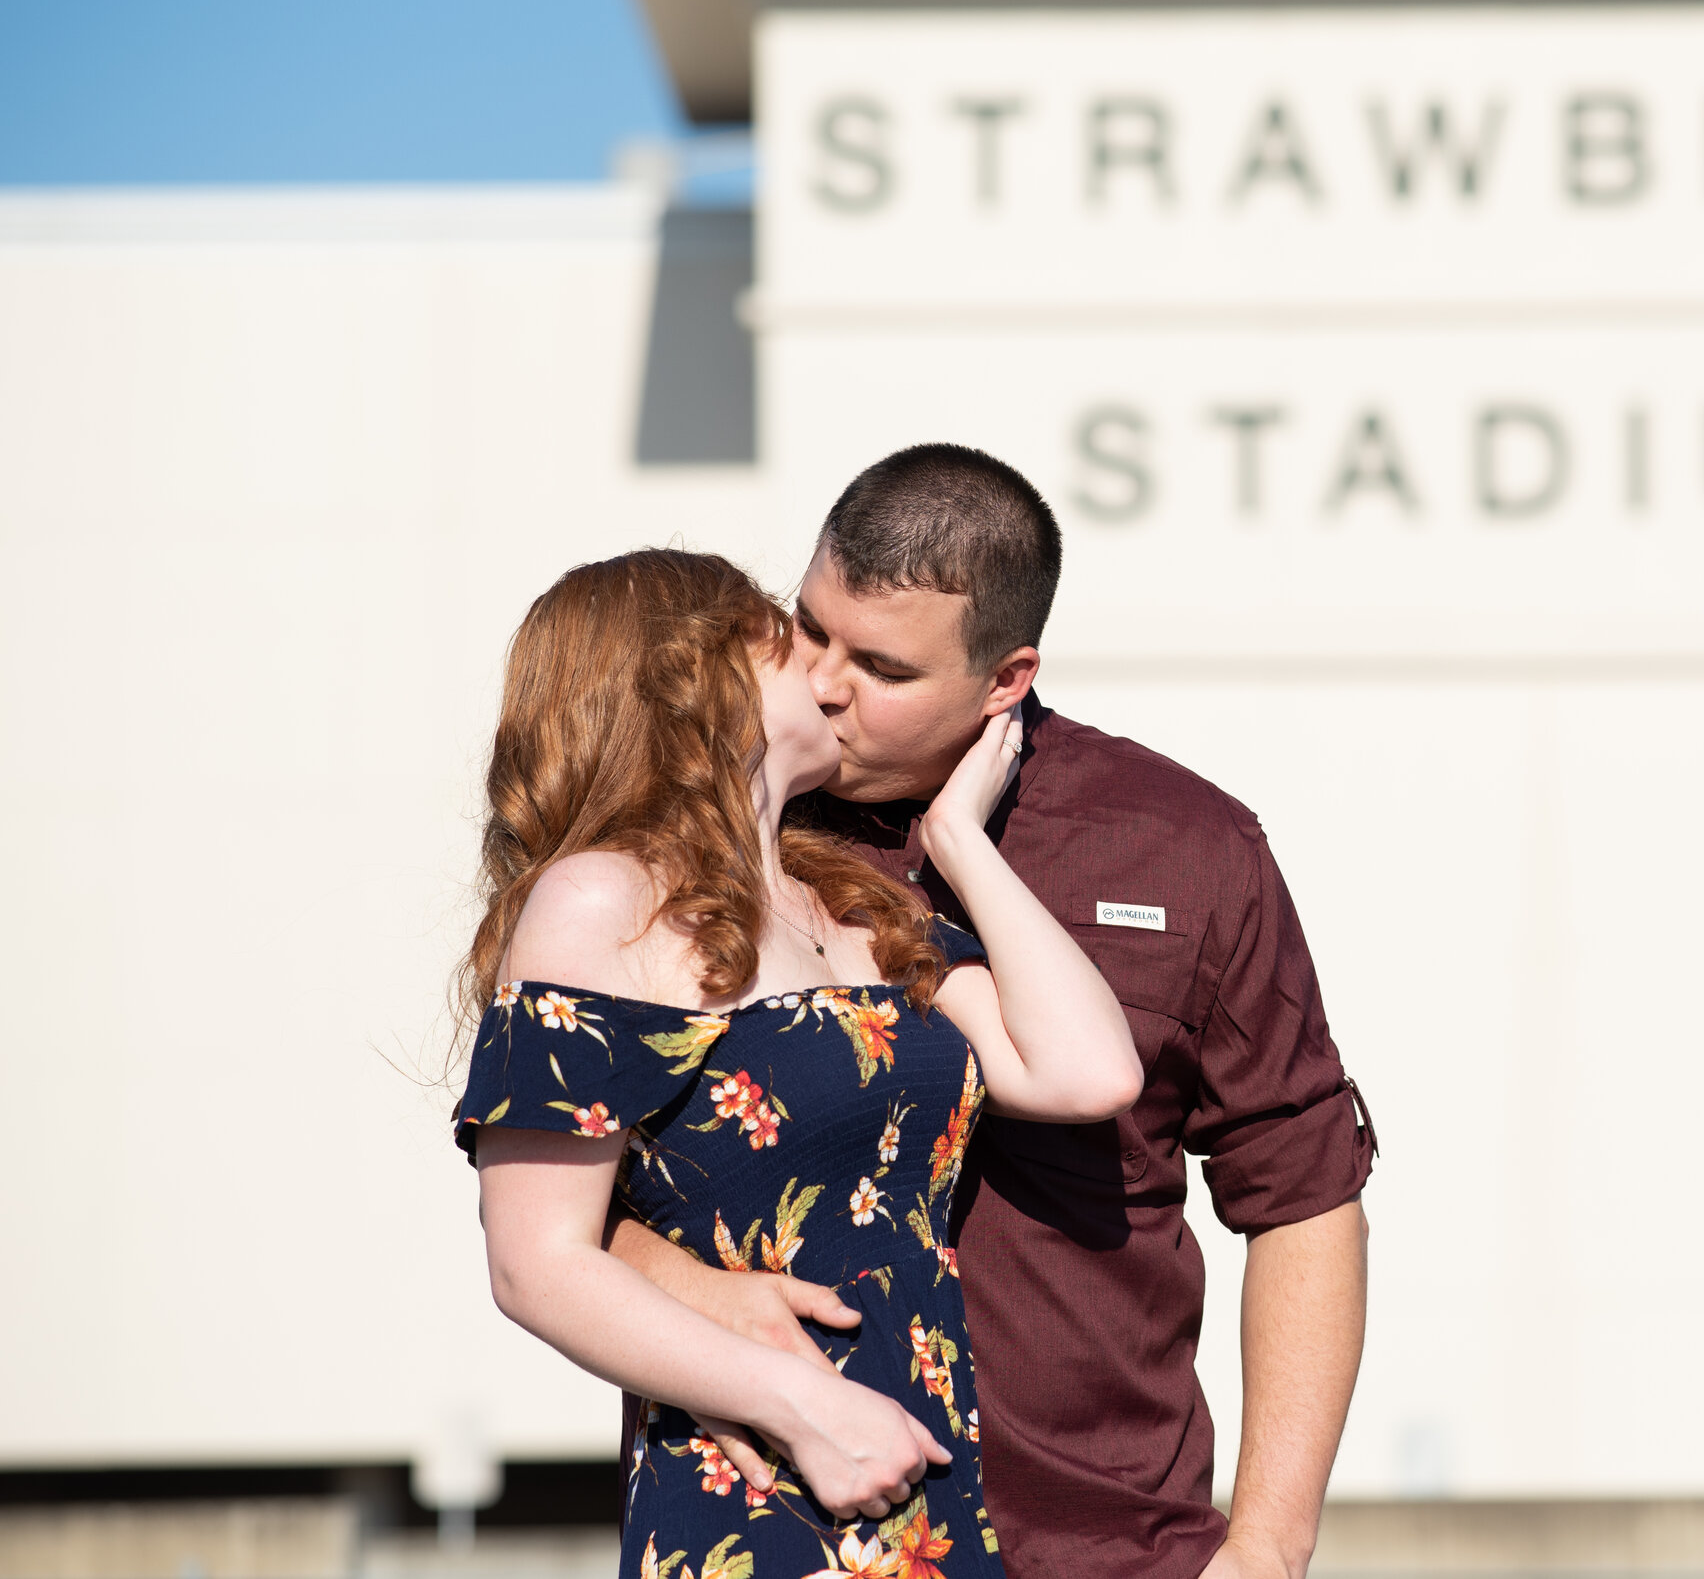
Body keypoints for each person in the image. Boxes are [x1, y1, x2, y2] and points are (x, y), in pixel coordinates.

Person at [606, 446, 1377, 1579]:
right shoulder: (715, 831)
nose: (825, 684)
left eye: (882, 665)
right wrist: (689, 1290)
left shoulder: (1185, 846)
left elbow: (1304, 1196)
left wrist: (1265, 1546)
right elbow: (554, 1192)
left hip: (1102, 1545)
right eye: (811, 631)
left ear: (1005, 678)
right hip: (789, 1529)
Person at [454, 548, 1142, 1578]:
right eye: (789, 637)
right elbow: (534, 1263)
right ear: (699, 676)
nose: (829, 673)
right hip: (770, 1486)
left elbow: (1088, 1069)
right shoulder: (602, 901)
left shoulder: (854, 904)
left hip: (923, 1478)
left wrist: (959, 839)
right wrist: (807, 1408)